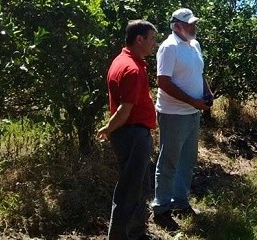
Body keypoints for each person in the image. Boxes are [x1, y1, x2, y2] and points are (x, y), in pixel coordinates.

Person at [151, 8, 213, 231]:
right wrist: (192, 102)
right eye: (188, 24)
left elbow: (200, 73)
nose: (193, 27)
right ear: (176, 26)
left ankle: (180, 202)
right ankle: (161, 209)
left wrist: (207, 92)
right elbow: (163, 83)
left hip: (191, 114)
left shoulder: (194, 45)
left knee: (187, 160)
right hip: (173, 114)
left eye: (193, 23)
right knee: (169, 161)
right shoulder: (169, 47)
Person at [96, 19, 158, 240]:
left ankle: (136, 232)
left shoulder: (123, 61)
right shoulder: (132, 69)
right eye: (152, 39)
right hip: (132, 134)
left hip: (132, 133)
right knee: (130, 190)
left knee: (140, 185)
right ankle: (120, 236)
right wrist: (108, 127)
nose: (155, 44)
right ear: (139, 39)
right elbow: (124, 109)